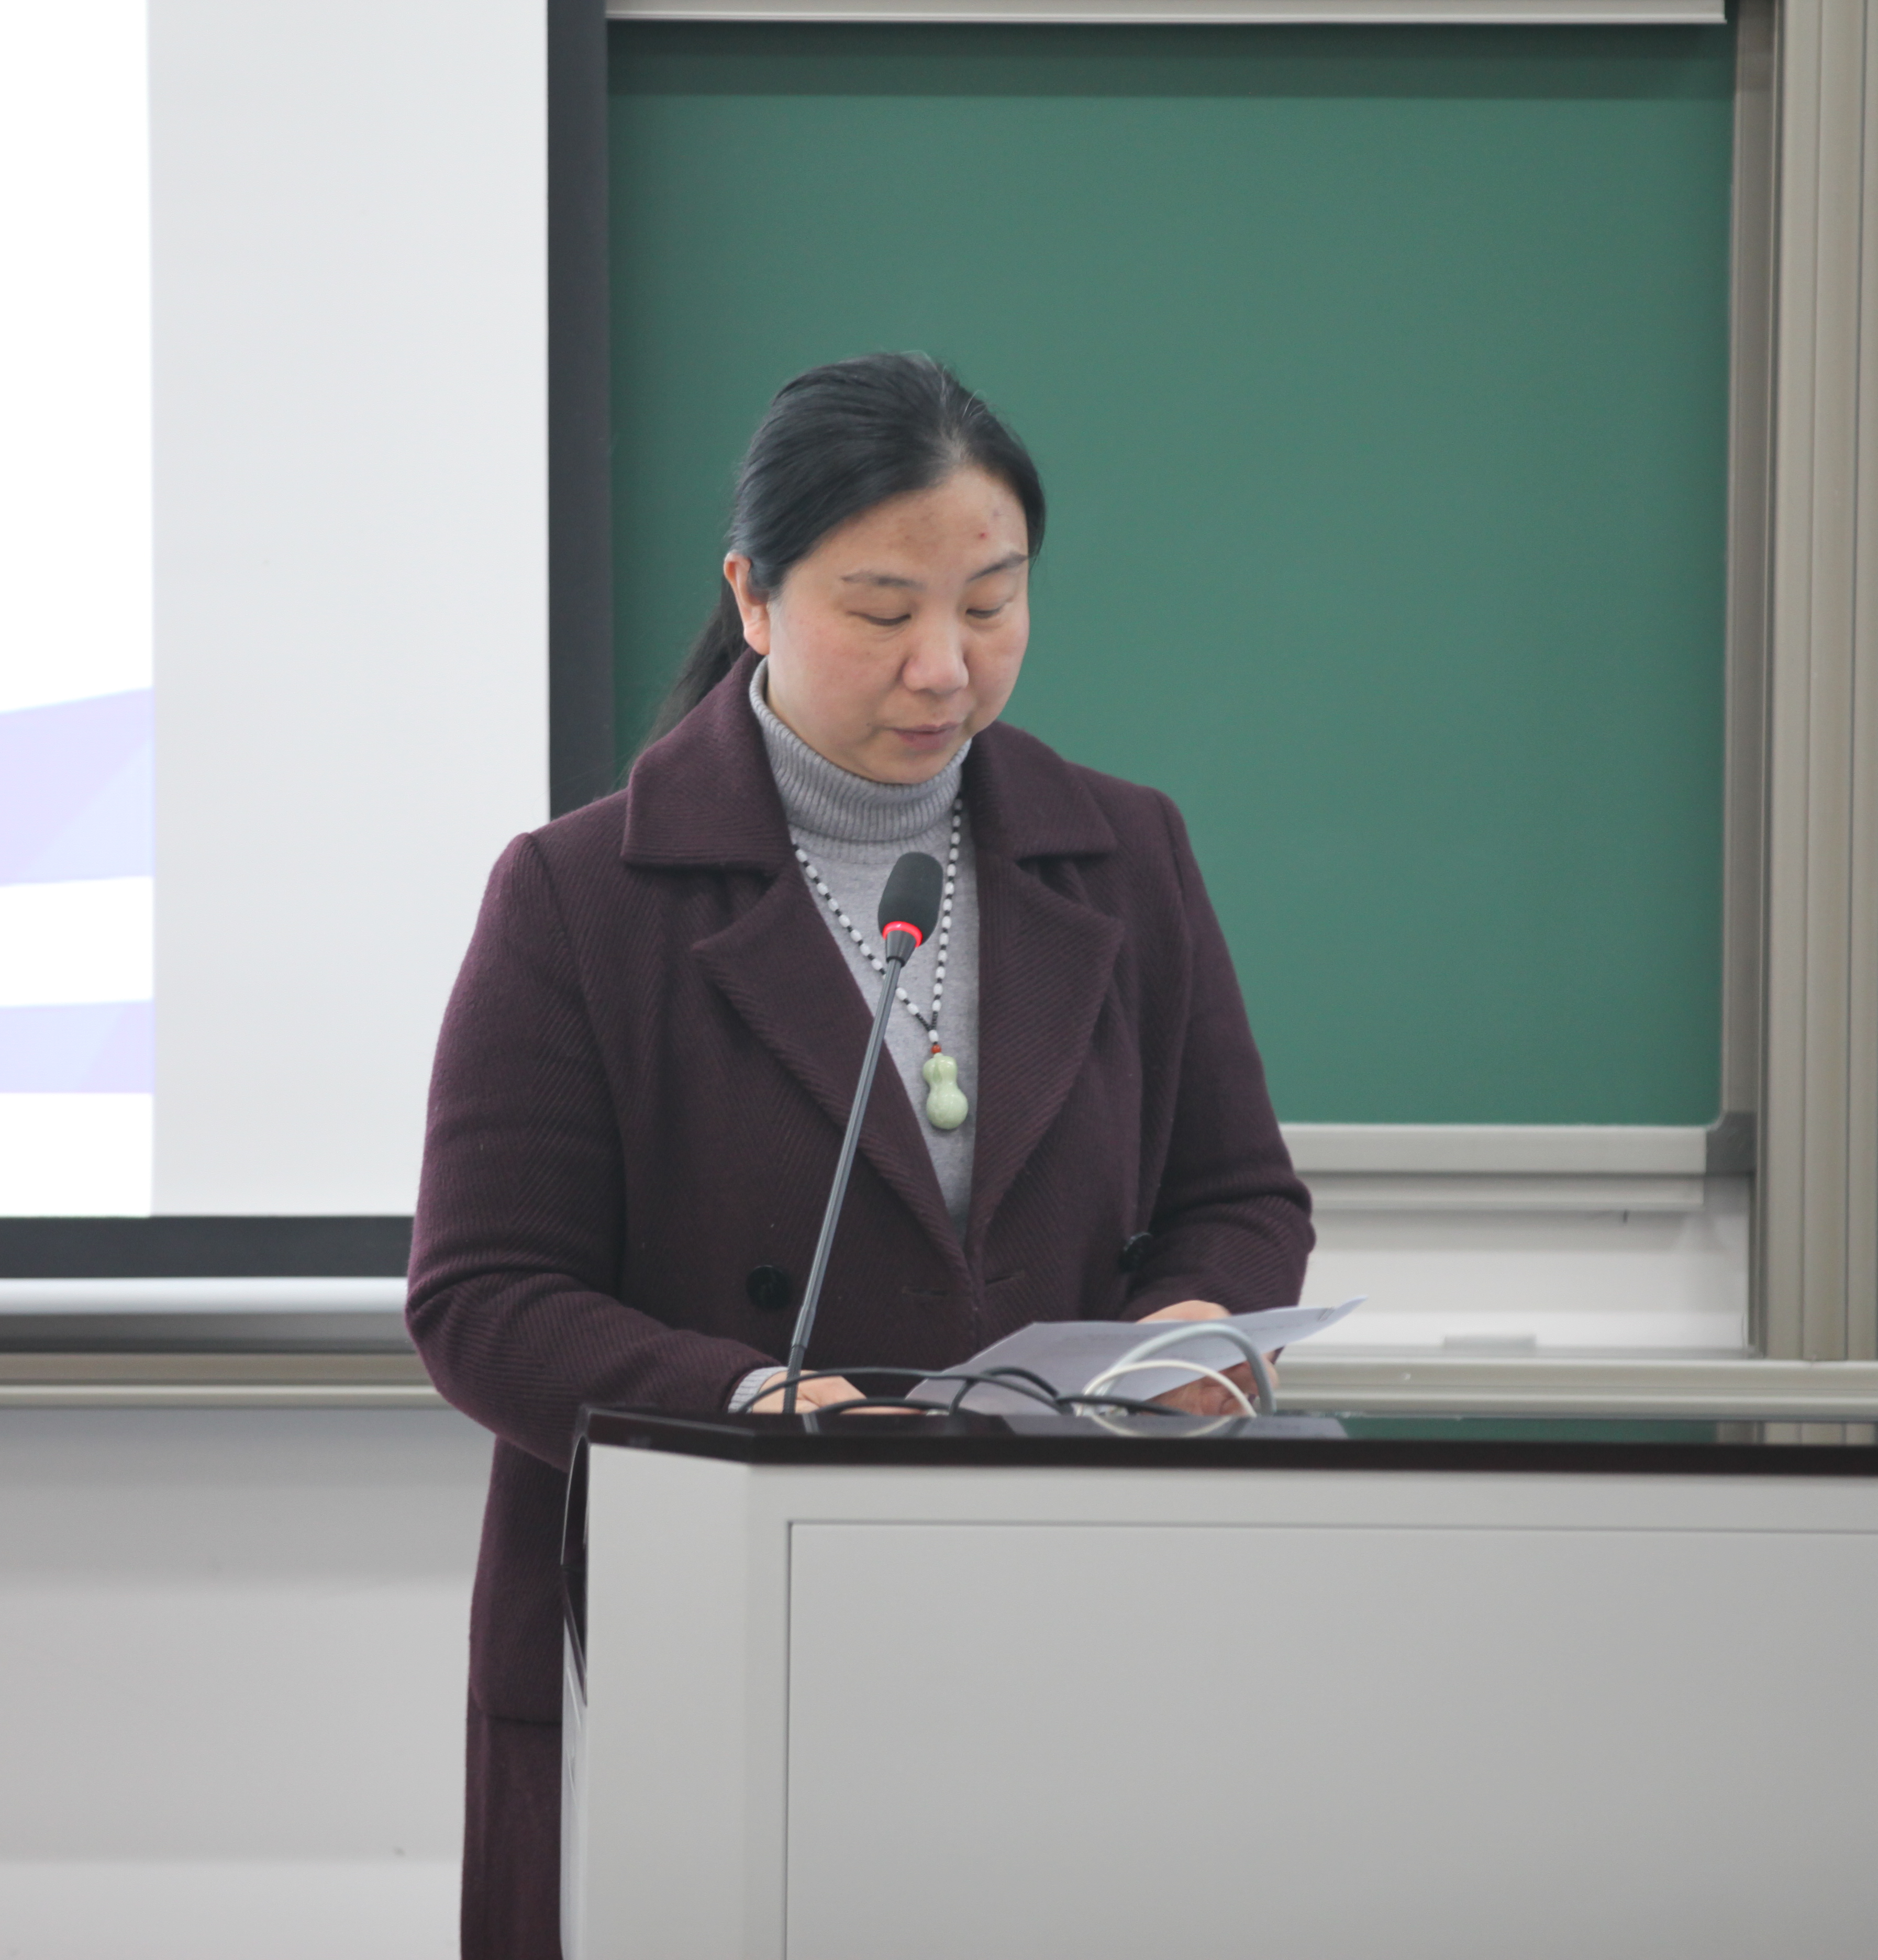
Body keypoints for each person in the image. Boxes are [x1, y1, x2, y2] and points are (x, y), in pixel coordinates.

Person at [405, 351, 1313, 1957]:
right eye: (883, 610)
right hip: (710, 1606)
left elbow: (1234, 1195)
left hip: (1063, 1598)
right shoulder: (581, 896)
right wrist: (752, 1405)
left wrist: (1196, 1320)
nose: (945, 667)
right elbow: (483, 1299)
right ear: (752, 598)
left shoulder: (1125, 854)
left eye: (992, 604)